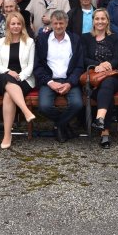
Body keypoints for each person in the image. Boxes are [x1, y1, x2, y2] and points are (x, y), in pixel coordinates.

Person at [34, 10, 84, 143]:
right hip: (49, 81)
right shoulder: (43, 39)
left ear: (66, 23)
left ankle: (59, 125)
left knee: (78, 104)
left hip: (69, 81)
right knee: (44, 106)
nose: (58, 26)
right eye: (55, 23)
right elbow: (37, 66)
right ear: (51, 23)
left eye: (61, 23)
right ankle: (64, 125)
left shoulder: (75, 39)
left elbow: (79, 66)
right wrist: (50, 82)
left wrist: (70, 83)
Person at [0, 11, 37, 149]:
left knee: (8, 95)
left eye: (18, 24)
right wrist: (8, 72)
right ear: (8, 26)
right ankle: (25, 111)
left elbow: (30, 65)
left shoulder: (29, 42)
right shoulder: (0, 42)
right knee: (7, 79)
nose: (16, 26)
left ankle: (7, 135)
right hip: (2, 76)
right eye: (13, 24)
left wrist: (20, 76)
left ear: (22, 25)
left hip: (24, 78)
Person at [82, 9, 118, 149]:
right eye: (97, 19)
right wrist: (97, 65)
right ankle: (104, 132)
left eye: (103, 19)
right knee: (106, 93)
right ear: (93, 21)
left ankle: (100, 119)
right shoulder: (86, 38)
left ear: (107, 21)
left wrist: (108, 64)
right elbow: (83, 58)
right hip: (93, 78)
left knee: (108, 84)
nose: (100, 21)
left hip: (112, 76)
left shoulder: (115, 38)